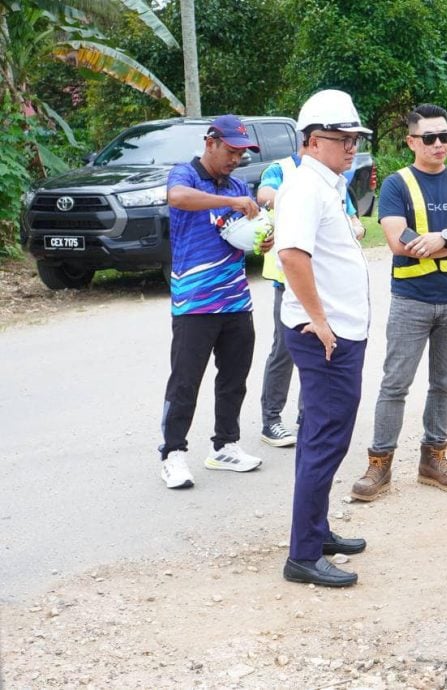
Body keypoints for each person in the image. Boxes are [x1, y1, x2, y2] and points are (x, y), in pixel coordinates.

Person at [350, 103, 447, 501]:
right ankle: (379, 464)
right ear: (411, 141)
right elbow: (400, 242)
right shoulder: (397, 184)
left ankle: (433, 458)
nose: (439, 145)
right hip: (411, 300)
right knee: (395, 383)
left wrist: (443, 238)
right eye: (429, 138)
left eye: (445, 137)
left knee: (444, 385)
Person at [275, 90, 371, 587]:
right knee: (324, 440)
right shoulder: (304, 188)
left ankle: (316, 530)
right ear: (313, 141)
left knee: (322, 436)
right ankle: (304, 555)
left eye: (355, 138)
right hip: (325, 337)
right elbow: (292, 255)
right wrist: (321, 319)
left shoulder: (326, 184)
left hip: (337, 332)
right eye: (343, 138)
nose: (351, 147)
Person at [159, 115, 269, 490]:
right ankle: (172, 454)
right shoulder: (185, 175)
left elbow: (246, 232)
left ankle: (226, 446)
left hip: (236, 299)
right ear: (210, 143)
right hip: (194, 302)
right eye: (231, 150)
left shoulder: (238, 184)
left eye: (241, 153)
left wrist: (262, 239)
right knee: (185, 382)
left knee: (234, 379)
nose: (236, 159)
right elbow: (177, 199)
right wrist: (230, 201)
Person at [256, 138, 365, 449]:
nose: (348, 147)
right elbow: (264, 194)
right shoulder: (286, 170)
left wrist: (350, 229)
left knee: (321, 353)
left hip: (327, 287)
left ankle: (308, 417)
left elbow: (354, 220)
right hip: (290, 282)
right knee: (285, 351)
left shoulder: (334, 180)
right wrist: (301, 205)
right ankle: (272, 418)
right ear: (312, 141)